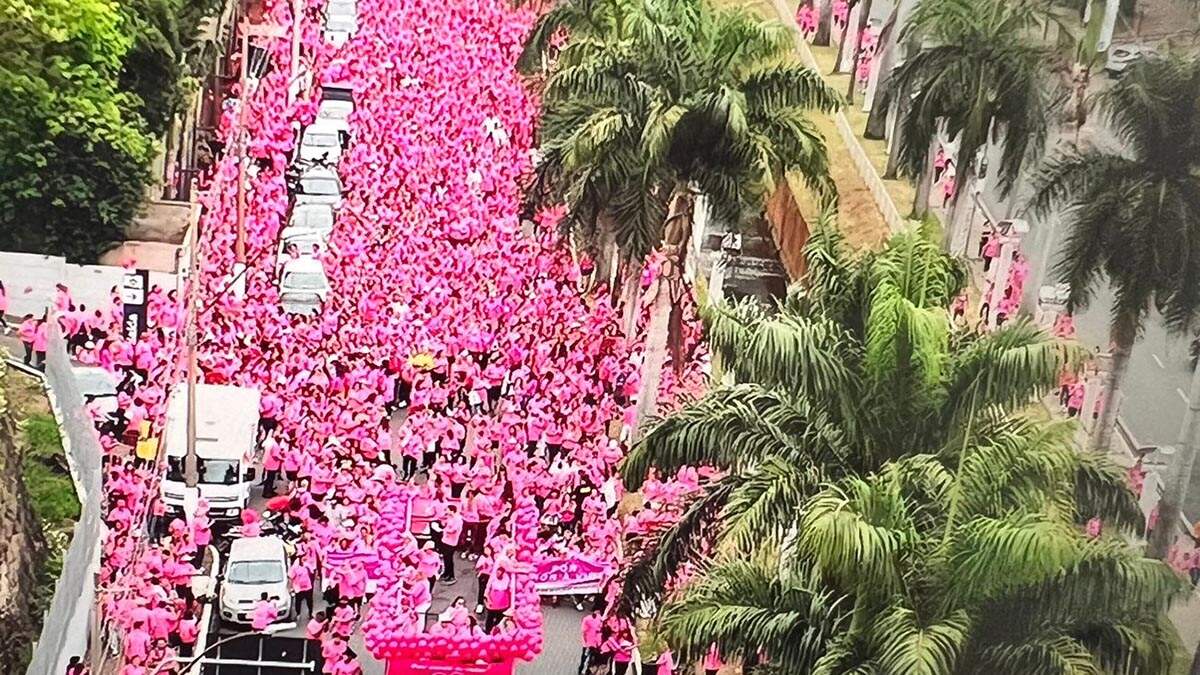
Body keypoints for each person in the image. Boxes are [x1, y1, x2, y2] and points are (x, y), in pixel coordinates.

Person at [578, 609, 602, 675]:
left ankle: (582, 670)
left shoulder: (587, 619)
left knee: (586, 657)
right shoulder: (597, 619)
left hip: (590, 643)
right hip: (592, 643)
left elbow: (583, 631)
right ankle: (584, 670)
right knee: (589, 657)